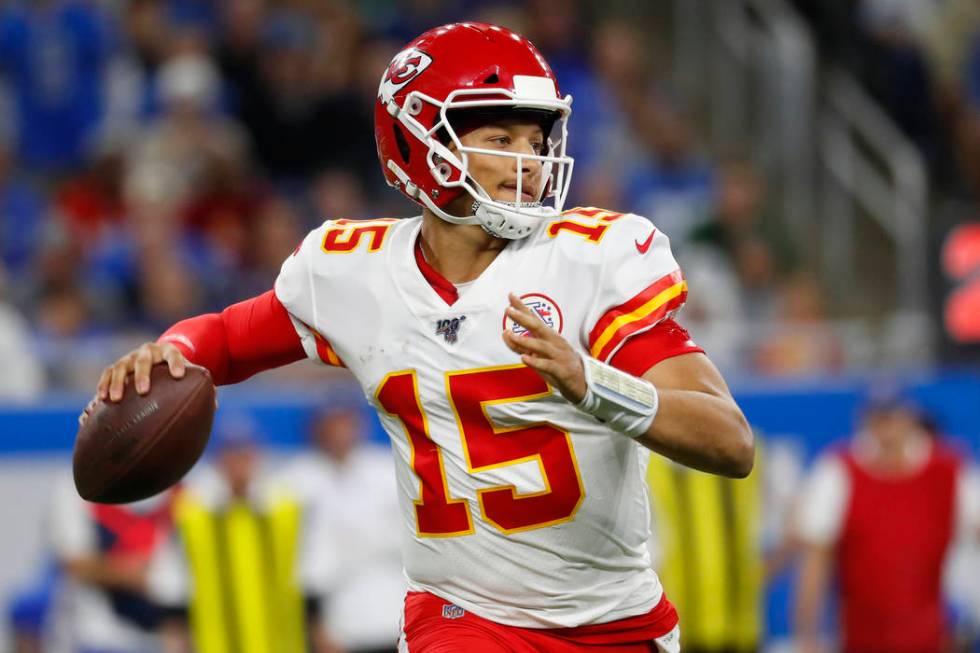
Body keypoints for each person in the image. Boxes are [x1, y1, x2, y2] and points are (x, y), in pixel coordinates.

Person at [83, 22, 754, 652]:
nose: (530, 162)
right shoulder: (355, 270)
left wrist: (594, 384)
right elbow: (227, 338)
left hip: (612, 621)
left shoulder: (592, 259)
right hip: (462, 616)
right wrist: (174, 348)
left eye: (537, 139)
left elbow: (728, 440)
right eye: (500, 137)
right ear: (416, 143)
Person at [793, 388, 980, 653]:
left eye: (893, 419)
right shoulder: (839, 472)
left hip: (932, 637)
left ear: (910, 420)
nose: (887, 431)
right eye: (879, 421)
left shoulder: (949, 470)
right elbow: (816, 561)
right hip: (860, 639)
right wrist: (807, 637)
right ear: (866, 424)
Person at [146, 411, 317, 653]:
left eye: (245, 452)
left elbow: (312, 577)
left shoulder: (285, 508)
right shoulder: (192, 511)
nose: (239, 462)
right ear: (217, 458)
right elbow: (169, 584)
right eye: (231, 453)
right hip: (215, 643)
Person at [281, 401, 403, 653]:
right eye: (331, 425)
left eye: (345, 423)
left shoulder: (386, 468)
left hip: (394, 605)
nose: (339, 432)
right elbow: (303, 563)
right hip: (337, 614)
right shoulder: (294, 480)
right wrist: (315, 626)